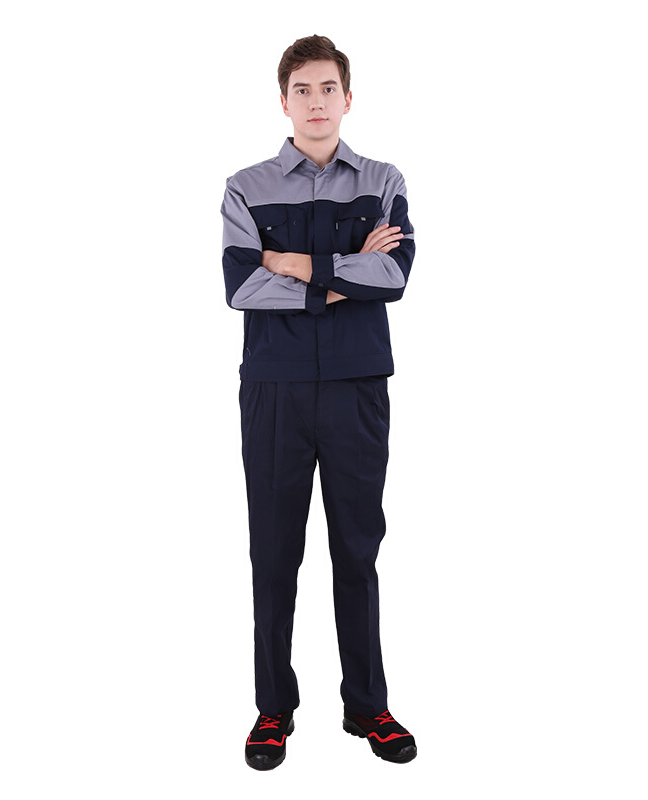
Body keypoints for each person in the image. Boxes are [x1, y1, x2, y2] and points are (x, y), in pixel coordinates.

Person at [220, 34, 417, 770]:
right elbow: (242, 286)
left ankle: (367, 705)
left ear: (348, 97)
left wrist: (291, 263)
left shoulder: (384, 179)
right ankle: (273, 708)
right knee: (273, 554)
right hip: (273, 389)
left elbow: (393, 276)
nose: (315, 102)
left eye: (327, 88)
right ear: (284, 101)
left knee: (357, 551)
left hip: (357, 387)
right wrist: (342, 273)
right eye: (301, 89)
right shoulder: (245, 186)